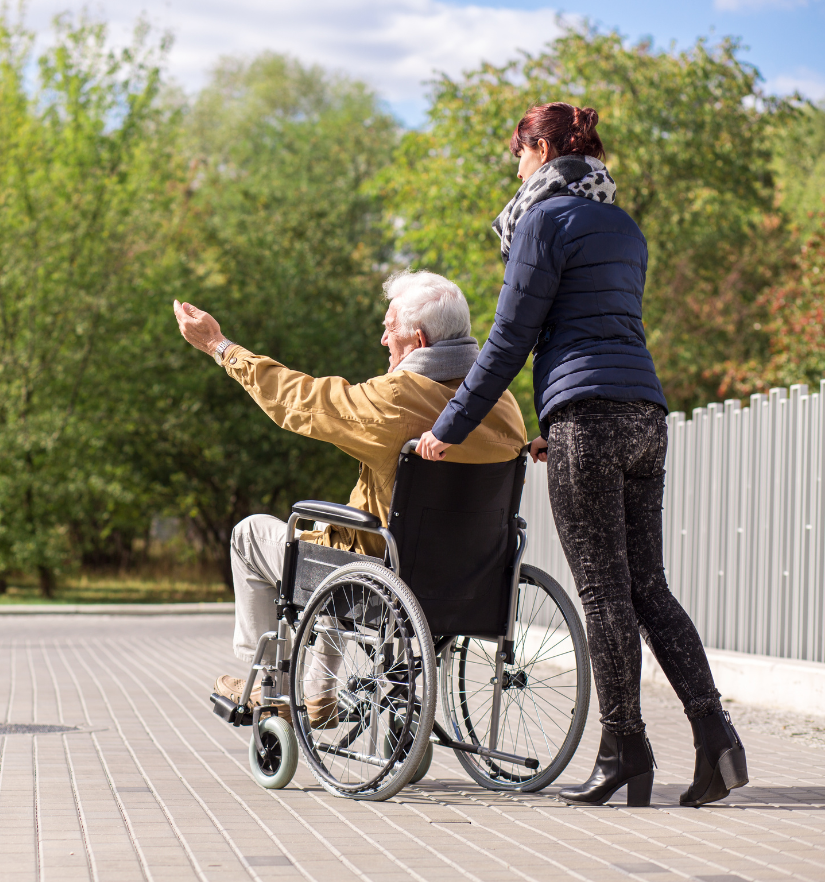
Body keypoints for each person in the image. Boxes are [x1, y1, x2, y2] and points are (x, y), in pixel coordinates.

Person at [416, 102, 748, 808]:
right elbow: (597, 327)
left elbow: (511, 337)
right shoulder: (623, 225)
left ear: (539, 149)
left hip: (588, 420)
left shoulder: (542, 220)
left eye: (517, 150)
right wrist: (553, 425)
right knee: (646, 587)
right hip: (643, 415)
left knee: (601, 590)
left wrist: (450, 424)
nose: (514, 164)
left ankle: (622, 747)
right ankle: (715, 737)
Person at [173, 269, 527, 728]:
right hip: (473, 582)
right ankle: (317, 695)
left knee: (257, 537)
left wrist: (221, 348)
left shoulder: (394, 400)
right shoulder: (504, 404)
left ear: (417, 340)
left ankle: (269, 685)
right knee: (344, 543)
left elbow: (298, 400)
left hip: (385, 579)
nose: (383, 340)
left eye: (388, 328)